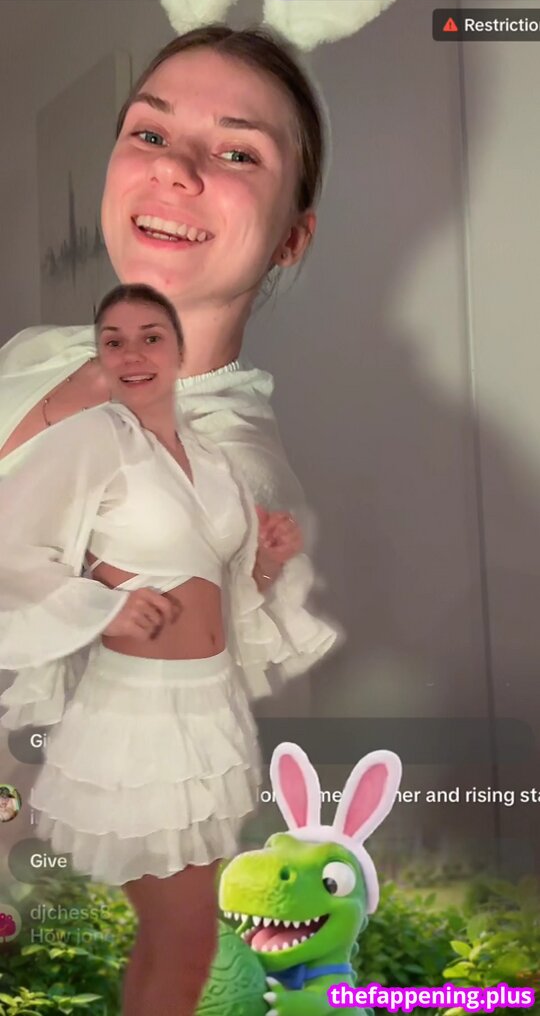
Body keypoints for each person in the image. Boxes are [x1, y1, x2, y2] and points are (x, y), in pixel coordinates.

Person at [0, 284, 337, 1016]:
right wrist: (103, 607)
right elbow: (10, 545)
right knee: (185, 938)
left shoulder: (208, 455)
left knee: (176, 941)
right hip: (138, 717)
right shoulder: (93, 439)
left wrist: (266, 560)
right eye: (113, 340)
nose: (132, 354)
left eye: (150, 337)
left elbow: (223, 586)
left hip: (211, 713)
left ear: (180, 353)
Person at [0, 25, 327, 558]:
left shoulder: (228, 496)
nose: (171, 165)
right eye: (151, 136)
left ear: (290, 239)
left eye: (238, 154)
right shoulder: (37, 350)